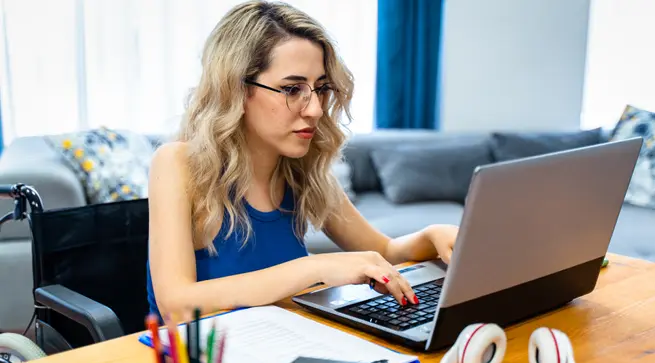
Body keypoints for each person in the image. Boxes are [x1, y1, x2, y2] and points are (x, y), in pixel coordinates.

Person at [146, 0, 459, 323]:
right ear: (236, 89)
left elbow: (386, 252)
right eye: (292, 89)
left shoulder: (301, 168)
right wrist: (316, 267)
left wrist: (432, 235)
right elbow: (176, 305)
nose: (315, 110)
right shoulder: (177, 163)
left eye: (320, 88)